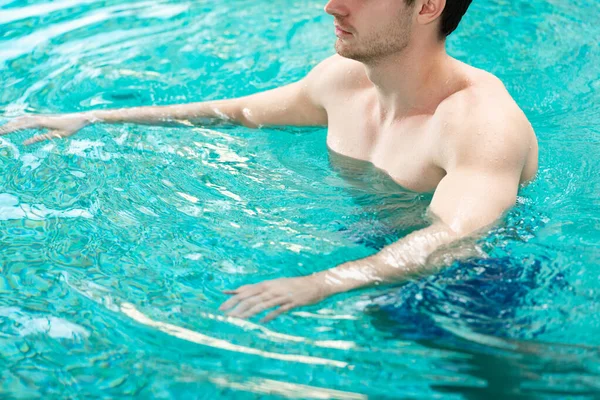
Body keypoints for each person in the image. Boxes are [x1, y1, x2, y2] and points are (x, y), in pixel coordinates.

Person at [0, 0, 538, 322]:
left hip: (478, 287)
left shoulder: (479, 124)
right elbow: (235, 112)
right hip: (370, 250)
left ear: (427, 5)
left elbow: (454, 235)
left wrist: (319, 283)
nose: (331, 4)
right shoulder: (344, 81)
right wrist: (94, 120)